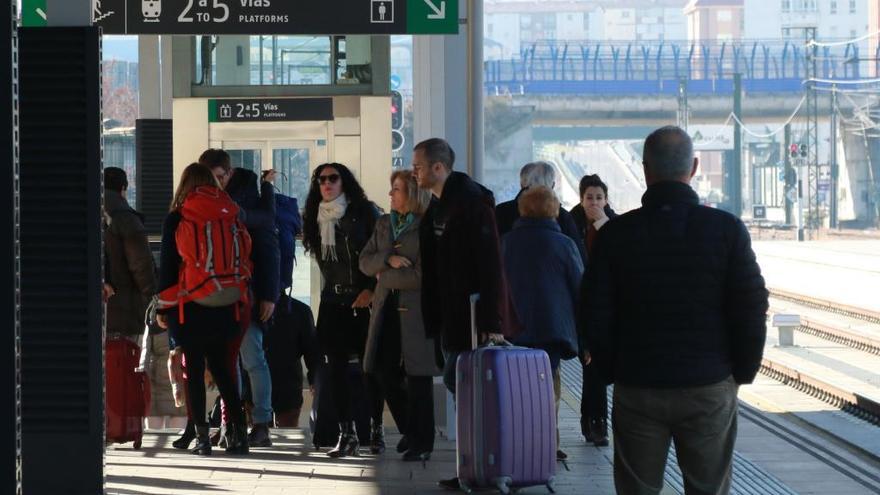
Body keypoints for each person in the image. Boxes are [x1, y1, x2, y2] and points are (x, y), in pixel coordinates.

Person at [581, 126, 768, 494]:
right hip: (708, 384)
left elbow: (593, 309)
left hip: (638, 385)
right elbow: (751, 305)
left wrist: (609, 369)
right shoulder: (726, 230)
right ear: (695, 167)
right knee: (708, 488)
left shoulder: (617, 235)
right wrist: (740, 371)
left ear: (646, 170)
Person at [412, 138, 505, 491]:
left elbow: (490, 265)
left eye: (418, 166)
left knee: (464, 388)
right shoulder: (438, 205)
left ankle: (483, 465)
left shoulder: (469, 205)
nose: (414, 171)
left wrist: (491, 322)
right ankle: (472, 466)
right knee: (461, 389)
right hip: (449, 315)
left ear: (438, 167)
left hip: (468, 316)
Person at [156, 163, 250, 456]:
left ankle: (202, 439)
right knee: (223, 368)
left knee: (193, 371)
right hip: (226, 302)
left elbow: (169, 267)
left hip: (191, 305)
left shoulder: (178, 217)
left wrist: (162, 304)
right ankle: (239, 435)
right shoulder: (233, 213)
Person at [201, 149, 280, 448]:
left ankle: (260, 423)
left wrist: (269, 295)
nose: (215, 184)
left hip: (247, 294)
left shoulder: (246, 201)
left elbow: (268, 247)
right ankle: (231, 422)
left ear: (229, 174)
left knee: (251, 359)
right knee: (228, 362)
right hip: (219, 295)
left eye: (219, 178)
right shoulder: (210, 200)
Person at [360, 170, 440, 462]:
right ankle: (410, 429)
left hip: (416, 312)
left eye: (397, 189)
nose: (391, 195)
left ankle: (423, 441)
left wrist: (385, 276)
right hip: (385, 311)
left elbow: (422, 277)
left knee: (419, 378)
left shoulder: (426, 226)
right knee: (382, 371)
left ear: (412, 194)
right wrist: (388, 260)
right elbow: (365, 261)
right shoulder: (384, 224)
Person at [302, 162, 381, 458]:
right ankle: (345, 433)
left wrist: (371, 288)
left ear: (344, 182)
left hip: (362, 298)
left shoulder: (363, 212)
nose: (326, 183)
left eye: (333, 178)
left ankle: (375, 429)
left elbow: (381, 251)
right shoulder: (314, 216)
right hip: (333, 301)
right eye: (321, 179)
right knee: (333, 368)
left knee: (369, 366)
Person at [501, 186, 583, 462]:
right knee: (549, 387)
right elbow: (579, 287)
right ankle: (548, 443)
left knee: (515, 390)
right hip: (552, 330)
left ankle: (517, 443)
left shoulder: (506, 243)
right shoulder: (564, 244)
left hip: (513, 330)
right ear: (554, 211)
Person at [569, 173, 618, 446]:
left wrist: (601, 223)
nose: (594, 202)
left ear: (606, 199)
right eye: (589, 197)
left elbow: (618, 250)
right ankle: (592, 421)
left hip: (604, 306)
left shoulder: (614, 225)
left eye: (599, 197)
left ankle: (596, 424)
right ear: (581, 198)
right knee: (588, 362)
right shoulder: (570, 222)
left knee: (594, 365)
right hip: (577, 304)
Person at [495, 161, 586, 265]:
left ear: (521, 184)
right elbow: (579, 261)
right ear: (552, 185)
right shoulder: (563, 217)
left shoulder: (501, 212)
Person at [103, 167, 157, 340]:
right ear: (123, 189)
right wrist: (153, 299)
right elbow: (141, 266)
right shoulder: (127, 219)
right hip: (125, 309)